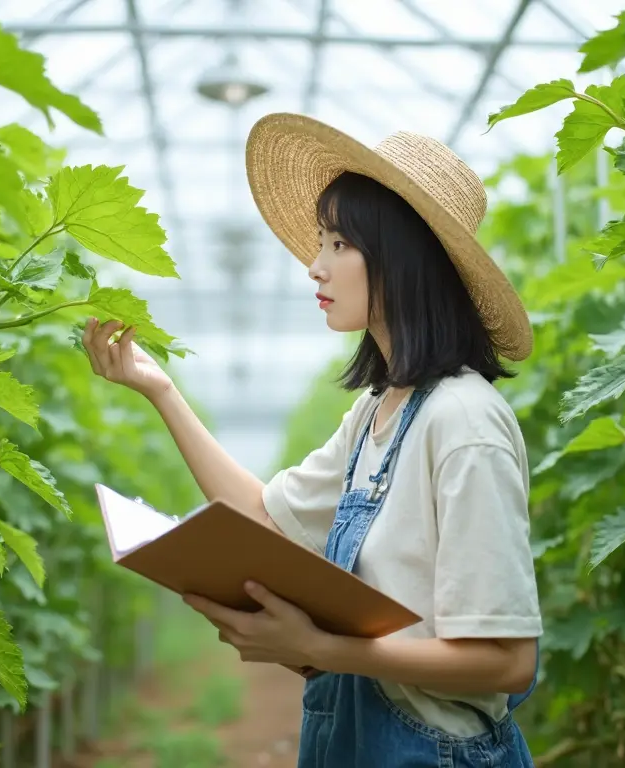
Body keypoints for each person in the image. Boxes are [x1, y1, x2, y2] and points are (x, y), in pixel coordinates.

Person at [81, 113, 542, 768]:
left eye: (337, 245)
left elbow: (508, 660)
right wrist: (161, 392)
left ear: (400, 258)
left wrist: (328, 650)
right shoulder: (376, 413)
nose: (314, 266)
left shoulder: (465, 422)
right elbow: (267, 517)